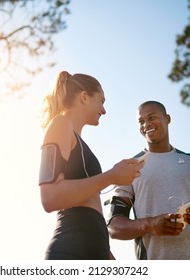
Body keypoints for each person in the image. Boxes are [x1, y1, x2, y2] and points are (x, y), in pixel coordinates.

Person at [38, 71, 144, 260]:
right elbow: (50, 197)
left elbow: (90, 204)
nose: (104, 110)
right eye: (102, 101)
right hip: (70, 250)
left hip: (94, 248)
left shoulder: (81, 143)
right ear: (84, 97)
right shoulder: (60, 124)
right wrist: (112, 176)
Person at [107, 100, 190, 260]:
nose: (146, 124)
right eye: (141, 121)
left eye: (152, 117)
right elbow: (114, 227)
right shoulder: (130, 167)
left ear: (167, 119)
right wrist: (151, 224)